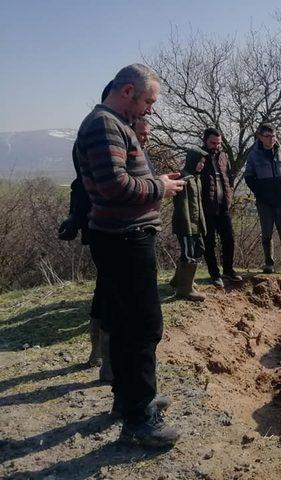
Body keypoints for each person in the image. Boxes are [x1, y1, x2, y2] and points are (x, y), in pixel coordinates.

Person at [77, 63, 184, 448]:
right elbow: (114, 187)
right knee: (143, 326)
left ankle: (129, 401)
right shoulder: (104, 125)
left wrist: (156, 183)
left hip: (122, 238)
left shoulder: (113, 124)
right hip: (124, 240)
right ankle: (140, 420)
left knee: (124, 326)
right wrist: (160, 186)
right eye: (147, 101)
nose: (149, 110)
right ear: (127, 92)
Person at [58, 81, 113, 381]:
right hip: (101, 225)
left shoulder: (122, 133)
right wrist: (75, 217)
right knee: (107, 287)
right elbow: (82, 185)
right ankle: (101, 354)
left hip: (113, 226)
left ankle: (105, 355)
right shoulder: (99, 133)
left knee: (108, 287)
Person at [244, 123, 281, 278]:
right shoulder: (254, 155)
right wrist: (260, 192)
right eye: (268, 136)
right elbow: (248, 176)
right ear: (260, 137)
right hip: (264, 203)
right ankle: (269, 264)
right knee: (267, 234)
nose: (271, 139)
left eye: (274, 135)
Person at [199, 128, 242, 287]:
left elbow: (228, 177)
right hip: (206, 208)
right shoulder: (198, 156)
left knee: (229, 239)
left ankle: (228, 270)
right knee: (209, 243)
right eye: (213, 142)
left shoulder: (223, 156)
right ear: (205, 141)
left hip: (223, 206)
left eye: (218, 143)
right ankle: (214, 274)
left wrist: (229, 195)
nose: (216, 146)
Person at [170, 147, 207, 301]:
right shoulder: (183, 178)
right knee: (188, 254)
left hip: (195, 224)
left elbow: (198, 205)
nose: (201, 165)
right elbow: (182, 205)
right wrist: (186, 229)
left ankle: (179, 281)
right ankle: (184, 290)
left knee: (199, 249)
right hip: (185, 225)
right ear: (192, 161)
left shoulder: (196, 178)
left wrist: (202, 225)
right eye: (199, 162)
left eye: (203, 163)